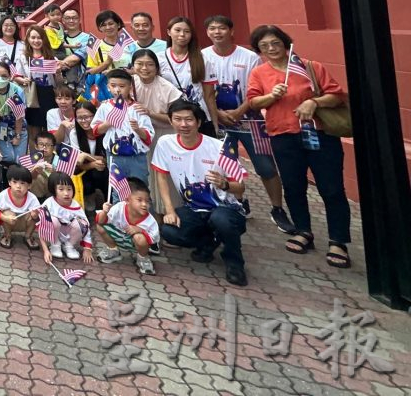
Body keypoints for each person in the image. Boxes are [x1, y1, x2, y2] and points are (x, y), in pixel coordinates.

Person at [246, 25, 351, 269]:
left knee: (331, 188)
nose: (271, 49)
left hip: (319, 134)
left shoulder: (310, 67)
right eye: (264, 46)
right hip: (283, 135)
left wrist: (314, 102)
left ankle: (338, 241)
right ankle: (303, 230)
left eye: (275, 43)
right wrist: (271, 96)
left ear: (285, 43)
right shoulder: (259, 73)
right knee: (293, 186)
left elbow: (336, 94)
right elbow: (253, 101)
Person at [203, 15, 293, 232]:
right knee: (224, 166)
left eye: (222, 28)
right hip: (218, 122)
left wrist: (239, 111)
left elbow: (257, 89)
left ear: (231, 31)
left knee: (265, 166)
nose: (217, 32)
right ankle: (238, 202)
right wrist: (217, 113)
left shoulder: (250, 56)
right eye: (212, 29)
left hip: (250, 121)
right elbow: (203, 90)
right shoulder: (202, 56)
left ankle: (277, 208)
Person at [153, 100, 249, 286]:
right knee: (169, 231)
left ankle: (235, 263)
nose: (183, 124)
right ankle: (208, 242)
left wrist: (224, 184)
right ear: (170, 121)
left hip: (226, 208)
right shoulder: (165, 143)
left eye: (189, 119)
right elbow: (161, 178)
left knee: (221, 220)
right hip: (195, 209)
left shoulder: (218, 147)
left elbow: (240, 187)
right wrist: (169, 211)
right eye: (177, 119)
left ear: (198, 122)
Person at [91, 69, 154, 188]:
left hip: (136, 156)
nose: (117, 90)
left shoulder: (138, 108)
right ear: (108, 87)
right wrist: (108, 123)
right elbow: (95, 130)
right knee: (117, 189)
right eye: (113, 86)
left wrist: (138, 129)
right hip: (114, 156)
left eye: (122, 86)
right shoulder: (105, 107)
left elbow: (149, 135)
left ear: (130, 87)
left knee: (140, 187)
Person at [161, 16, 216, 136]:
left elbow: (209, 96)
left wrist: (215, 125)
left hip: (198, 117)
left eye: (187, 31)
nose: (182, 35)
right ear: (169, 32)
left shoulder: (202, 58)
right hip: (171, 118)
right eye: (177, 30)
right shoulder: (159, 58)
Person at [93, 177, 159, 276]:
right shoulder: (119, 207)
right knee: (100, 226)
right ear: (127, 200)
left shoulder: (150, 220)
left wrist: (140, 230)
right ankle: (113, 250)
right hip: (119, 236)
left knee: (140, 238)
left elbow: (154, 238)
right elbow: (100, 221)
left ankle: (143, 258)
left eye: (147, 201)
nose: (144, 204)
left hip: (134, 243)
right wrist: (104, 212)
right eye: (139, 200)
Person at [16, 25, 60, 145]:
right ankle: (35, 154)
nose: (36, 41)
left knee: (49, 128)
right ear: (28, 39)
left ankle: (49, 153)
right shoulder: (23, 58)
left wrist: (58, 72)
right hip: (32, 95)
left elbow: (59, 83)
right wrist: (23, 80)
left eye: (39, 37)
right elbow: (16, 76)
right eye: (33, 37)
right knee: (34, 131)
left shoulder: (51, 58)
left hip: (48, 95)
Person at [39, 171, 94, 264]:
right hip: (53, 235)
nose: (66, 193)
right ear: (53, 190)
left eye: (69, 189)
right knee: (52, 220)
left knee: (82, 223)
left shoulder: (76, 205)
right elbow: (42, 228)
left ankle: (69, 246)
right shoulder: (48, 203)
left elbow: (86, 227)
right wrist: (46, 251)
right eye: (61, 189)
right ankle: (55, 245)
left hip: (69, 234)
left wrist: (87, 248)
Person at [0, 61, 27, 167]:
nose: (0, 79)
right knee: (8, 158)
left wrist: (17, 136)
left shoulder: (17, 91)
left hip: (18, 126)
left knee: (19, 161)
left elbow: (19, 115)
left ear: (10, 76)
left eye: (4, 76)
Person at [0, 165, 40, 250]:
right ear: (9, 182)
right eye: (15, 182)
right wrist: (4, 217)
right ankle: (7, 235)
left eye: (22, 183)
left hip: (25, 223)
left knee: (33, 214)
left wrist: (35, 215)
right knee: (6, 213)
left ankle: (28, 236)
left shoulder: (32, 198)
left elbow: (39, 213)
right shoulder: (3, 195)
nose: (18, 186)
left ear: (29, 186)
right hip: (9, 222)